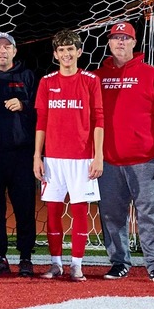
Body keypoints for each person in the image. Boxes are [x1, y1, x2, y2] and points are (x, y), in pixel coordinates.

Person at [95, 21, 154, 283]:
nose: (120, 42)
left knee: (151, 213)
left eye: (125, 38)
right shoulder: (97, 78)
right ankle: (119, 262)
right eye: (115, 38)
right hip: (108, 161)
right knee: (111, 214)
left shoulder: (151, 75)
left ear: (134, 43)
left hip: (144, 160)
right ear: (109, 43)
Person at [34, 29, 104, 282]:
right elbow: (41, 121)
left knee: (79, 212)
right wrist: (37, 156)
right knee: (52, 213)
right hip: (53, 159)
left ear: (79, 51)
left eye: (70, 49)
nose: (66, 54)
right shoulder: (47, 82)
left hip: (82, 158)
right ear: (55, 54)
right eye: (61, 50)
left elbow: (99, 120)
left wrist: (98, 156)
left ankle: (77, 264)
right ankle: (55, 264)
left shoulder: (90, 80)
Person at [0, 32, 38, 277]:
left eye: (7, 47)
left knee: (24, 207)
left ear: (14, 51)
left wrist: (24, 105)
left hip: (22, 154)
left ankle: (26, 257)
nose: (2, 51)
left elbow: (42, 110)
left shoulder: (29, 76)